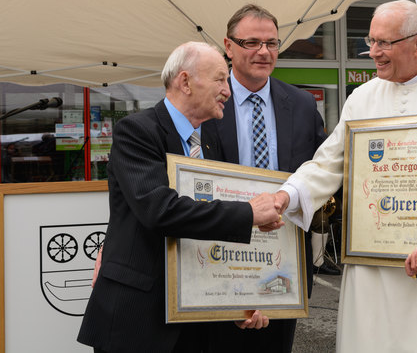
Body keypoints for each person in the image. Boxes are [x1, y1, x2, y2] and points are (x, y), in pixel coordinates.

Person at [276, 0, 417, 351]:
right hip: (373, 265)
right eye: (370, 41)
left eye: (384, 43)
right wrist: (287, 195)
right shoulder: (361, 98)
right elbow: (329, 163)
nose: (373, 52)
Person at [77, 42, 282, 353]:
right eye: (220, 80)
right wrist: (248, 213)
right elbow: (160, 211)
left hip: (195, 319)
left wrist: (238, 301)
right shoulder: (136, 131)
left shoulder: (210, 140)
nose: (227, 90)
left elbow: (210, 223)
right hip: (138, 318)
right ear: (185, 81)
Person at [209, 4, 330, 352]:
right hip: (220, 252)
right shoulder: (207, 99)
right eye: (251, 42)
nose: (264, 51)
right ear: (228, 47)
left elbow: (322, 168)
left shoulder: (303, 104)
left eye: (272, 43)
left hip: (285, 255)